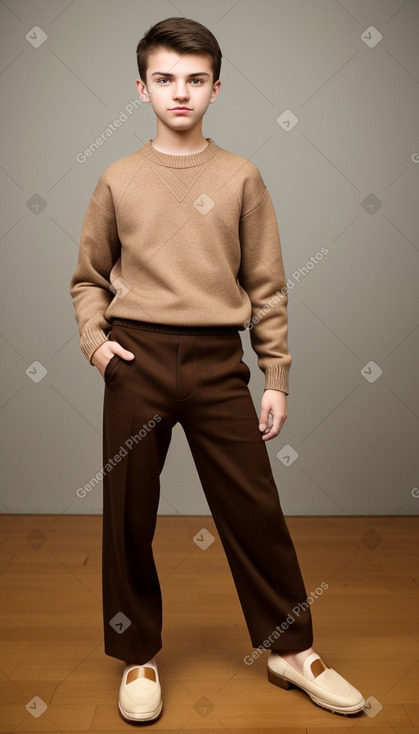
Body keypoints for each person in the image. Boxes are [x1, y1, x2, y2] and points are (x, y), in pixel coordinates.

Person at [69, 16, 365, 724]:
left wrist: (276, 376)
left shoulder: (240, 176)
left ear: (215, 87)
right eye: (165, 79)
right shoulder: (118, 178)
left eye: (195, 80)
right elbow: (87, 279)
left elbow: (267, 285)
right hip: (134, 360)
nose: (180, 93)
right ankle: (136, 653)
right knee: (127, 517)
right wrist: (96, 342)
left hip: (214, 362)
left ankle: (290, 650)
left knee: (252, 509)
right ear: (140, 89)